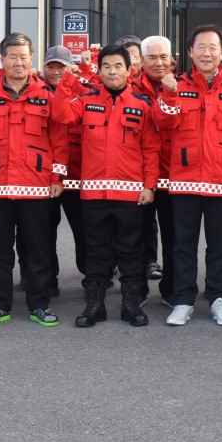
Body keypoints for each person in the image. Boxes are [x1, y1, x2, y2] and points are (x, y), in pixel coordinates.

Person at [0, 33, 72, 329]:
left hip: (37, 187)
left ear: (31, 59)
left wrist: (57, 177)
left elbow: (59, 140)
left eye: (24, 57)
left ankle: (39, 304)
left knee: (38, 250)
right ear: (2, 60)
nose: (18, 62)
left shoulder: (47, 95)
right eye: (12, 57)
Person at [152, 24, 222, 327]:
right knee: (182, 244)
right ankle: (183, 299)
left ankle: (218, 298)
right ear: (190, 52)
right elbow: (162, 122)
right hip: (184, 178)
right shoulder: (175, 84)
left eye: (213, 47)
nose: (207, 53)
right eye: (201, 47)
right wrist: (169, 93)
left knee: (219, 244)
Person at [70, 44, 160, 328]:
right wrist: (72, 78)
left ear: (129, 71)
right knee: (96, 250)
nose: (112, 71)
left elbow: (151, 150)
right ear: (98, 71)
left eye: (118, 66)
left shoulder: (142, 105)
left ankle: (131, 304)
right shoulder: (85, 101)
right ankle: (94, 305)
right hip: (94, 193)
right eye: (106, 66)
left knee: (131, 250)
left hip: (130, 194)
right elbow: (61, 115)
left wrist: (149, 186)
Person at [132, 35, 178, 305]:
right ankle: (137, 290)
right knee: (137, 236)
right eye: (152, 57)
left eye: (163, 57)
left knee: (174, 237)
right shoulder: (130, 89)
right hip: (140, 175)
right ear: (141, 60)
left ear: (172, 59)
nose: (159, 63)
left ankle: (171, 290)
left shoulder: (183, 86)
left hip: (174, 174)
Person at [42, 45, 87, 297]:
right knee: (45, 231)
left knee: (84, 229)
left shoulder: (85, 93)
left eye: (61, 66)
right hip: (46, 177)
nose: (56, 71)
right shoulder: (36, 92)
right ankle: (48, 280)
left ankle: (91, 274)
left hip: (78, 177)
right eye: (51, 66)